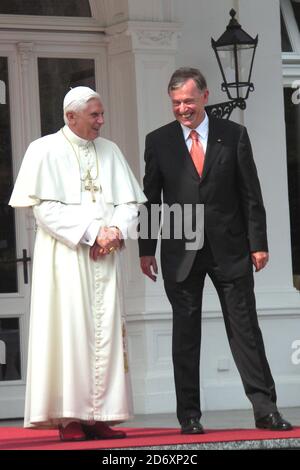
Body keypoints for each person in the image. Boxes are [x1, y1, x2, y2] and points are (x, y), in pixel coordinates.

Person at [138, 67, 293, 434]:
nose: (182, 109)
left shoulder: (233, 135)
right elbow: (150, 199)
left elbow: (250, 194)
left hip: (231, 247)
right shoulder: (158, 141)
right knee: (185, 334)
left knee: (245, 331)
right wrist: (147, 249)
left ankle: (265, 409)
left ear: (205, 96)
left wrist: (259, 244)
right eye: (176, 103)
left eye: (188, 101)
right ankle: (189, 416)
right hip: (181, 246)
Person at [9, 86, 146, 441]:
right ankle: (69, 417)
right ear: (71, 117)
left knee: (106, 335)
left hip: (105, 259)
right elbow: (45, 209)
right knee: (70, 333)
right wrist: (92, 233)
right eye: (94, 115)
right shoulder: (44, 150)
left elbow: (130, 203)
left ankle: (100, 415)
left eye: (101, 114)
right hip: (66, 259)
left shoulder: (111, 150)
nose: (101, 121)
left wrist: (114, 231)